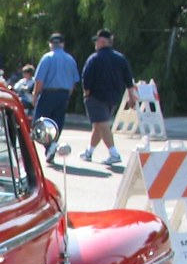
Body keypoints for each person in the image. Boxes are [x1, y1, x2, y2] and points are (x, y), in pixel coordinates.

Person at [79, 29, 138, 165]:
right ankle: (89, 151)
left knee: (102, 125)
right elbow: (128, 79)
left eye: (97, 41)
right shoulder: (120, 58)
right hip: (113, 97)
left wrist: (86, 93)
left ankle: (114, 153)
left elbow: (86, 78)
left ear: (102, 41)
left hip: (96, 97)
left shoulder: (94, 58)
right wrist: (131, 96)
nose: (95, 43)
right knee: (98, 125)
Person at [32, 32, 80, 162]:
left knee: (39, 123)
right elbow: (73, 82)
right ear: (63, 44)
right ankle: (51, 147)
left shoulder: (47, 58)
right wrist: (67, 96)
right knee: (57, 122)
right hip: (63, 94)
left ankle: (49, 146)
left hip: (48, 93)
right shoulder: (70, 59)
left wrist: (35, 95)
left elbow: (39, 80)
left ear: (50, 44)